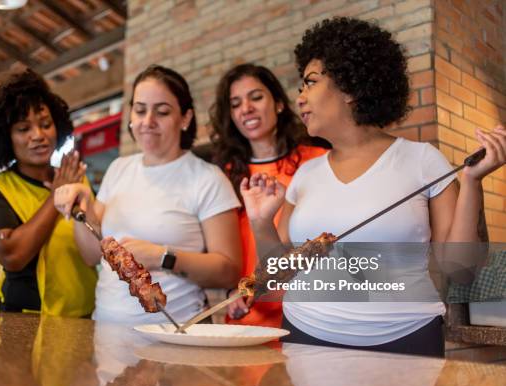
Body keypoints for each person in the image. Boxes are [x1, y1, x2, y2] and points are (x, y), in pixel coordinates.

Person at [242, 17, 505, 356]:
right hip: (305, 335)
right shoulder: (305, 175)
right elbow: (276, 278)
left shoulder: (423, 160)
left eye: (310, 82)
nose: (301, 98)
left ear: (350, 88)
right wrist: (261, 222)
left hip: (405, 339)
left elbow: (461, 269)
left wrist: (472, 182)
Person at [54, 65, 242, 324]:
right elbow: (91, 255)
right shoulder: (119, 168)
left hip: (176, 338)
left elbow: (229, 272)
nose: (148, 121)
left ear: (185, 118)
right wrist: (81, 208)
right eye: (140, 110)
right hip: (107, 334)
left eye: (162, 111)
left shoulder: (207, 178)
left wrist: (162, 257)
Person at [210, 63, 329, 328]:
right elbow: (221, 253)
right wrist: (229, 292)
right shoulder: (224, 176)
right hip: (248, 321)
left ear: (278, 104)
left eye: (256, 97)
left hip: (311, 318)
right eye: (236, 103)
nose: (246, 109)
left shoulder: (318, 162)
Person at [0, 69, 97, 317]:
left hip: (86, 318)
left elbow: (97, 245)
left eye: (46, 124)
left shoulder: (76, 181)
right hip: (24, 320)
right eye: (23, 128)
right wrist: (55, 197)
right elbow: (13, 255)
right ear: (5, 137)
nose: (38, 136)